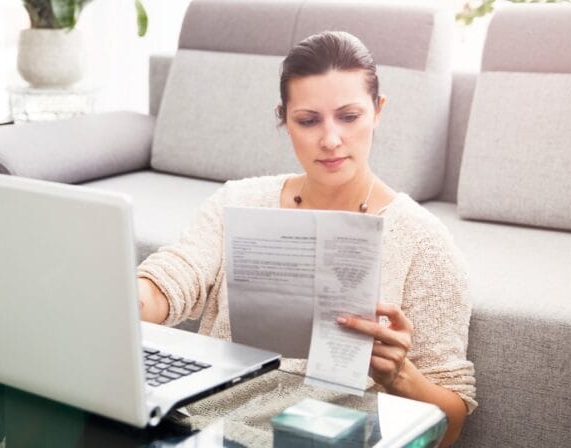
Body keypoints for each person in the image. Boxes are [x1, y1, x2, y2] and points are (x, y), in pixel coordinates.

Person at [137, 31, 476, 446]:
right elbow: (176, 275)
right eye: (308, 120)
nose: (330, 140)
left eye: (349, 116)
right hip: (204, 431)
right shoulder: (239, 200)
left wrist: (399, 373)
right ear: (284, 118)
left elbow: (453, 421)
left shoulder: (423, 241)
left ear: (378, 110)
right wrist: (131, 298)